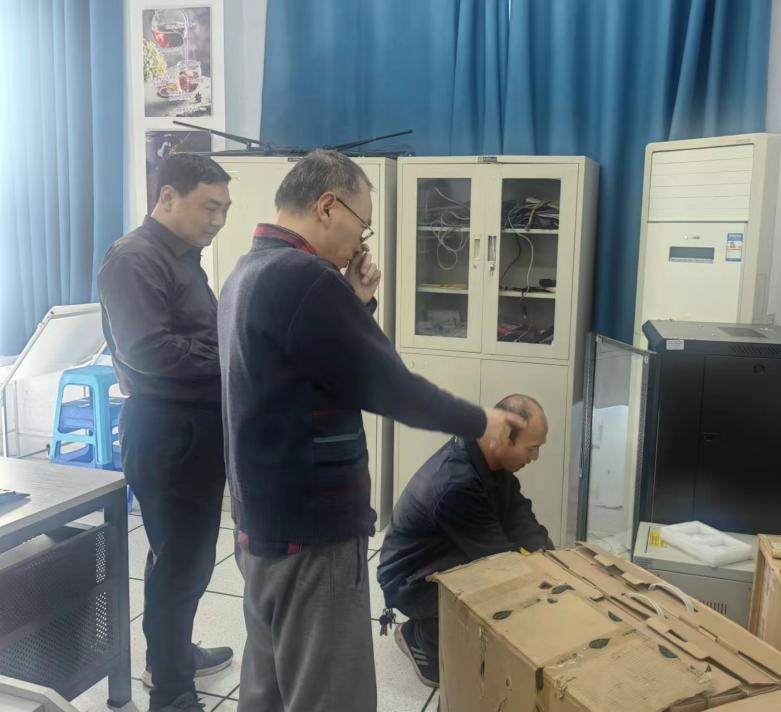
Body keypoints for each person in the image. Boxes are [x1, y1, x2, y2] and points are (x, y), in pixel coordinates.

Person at [216, 149, 524, 712]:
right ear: (327, 206)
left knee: (269, 687)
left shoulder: (248, 270)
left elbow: (317, 370)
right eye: (363, 224)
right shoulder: (306, 278)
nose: (362, 241)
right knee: (332, 694)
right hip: (312, 533)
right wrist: (482, 421)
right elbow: (387, 385)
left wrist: (356, 301)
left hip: (262, 523)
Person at [98, 154, 235, 712]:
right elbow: (150, 351)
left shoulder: (181, 258)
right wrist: (233, 361)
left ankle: (170, 655)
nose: (218, 220)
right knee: (182, 562)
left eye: (225, 209)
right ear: (168, 197)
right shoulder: (134, 259)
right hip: (166, 431)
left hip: (191, 426)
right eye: (210, 207)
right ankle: (172, 691)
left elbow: (197, 336)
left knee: (185, 557)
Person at [377, 394, 553, 688]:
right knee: (496, 587)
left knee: (514, 577)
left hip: (443, 551)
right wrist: (544, 585)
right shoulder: (456, 484)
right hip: (409, 581)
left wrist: (548, 555)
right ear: (502, 438)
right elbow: (499, 560)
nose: (534, 458)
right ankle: (421, 638)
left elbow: (518, 514)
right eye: (532, 448)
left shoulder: (489, 458)